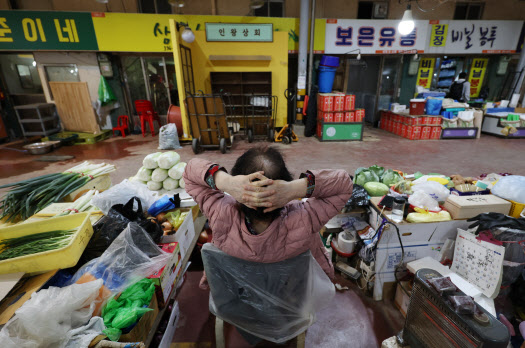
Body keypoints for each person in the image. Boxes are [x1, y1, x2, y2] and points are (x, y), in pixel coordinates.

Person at [182, 146, 353, 289]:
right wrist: (295, 189)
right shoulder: (306, 218)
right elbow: (344, 184)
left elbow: (190, 172)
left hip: (241, 303)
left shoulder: (219, 212)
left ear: (238, 185)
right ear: (285, 180)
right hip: (292, 304)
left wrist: (226, 182)